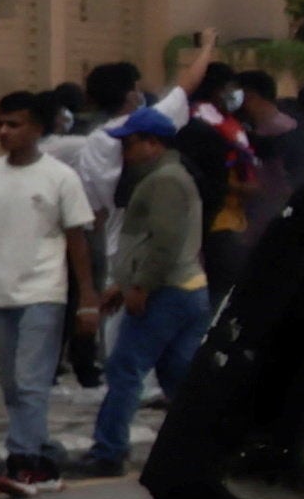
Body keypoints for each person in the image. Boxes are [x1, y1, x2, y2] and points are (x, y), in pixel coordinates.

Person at [0, 90, 99, 492]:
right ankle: (45, 461)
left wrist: (88, 298)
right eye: (0, 123)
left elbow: (77, 240)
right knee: (14, 385)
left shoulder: (60, 177)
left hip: (44, 292)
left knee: (31, 381)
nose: (4, 131)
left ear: (38, 128)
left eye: (14, 124)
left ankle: (22, 463)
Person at [81, 105, 214, 479]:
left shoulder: (165, 180)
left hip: (166, 292)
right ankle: (206, 444)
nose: (124, 152)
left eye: (130, 143)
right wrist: (122, 287)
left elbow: (164, 243)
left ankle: (108, 451)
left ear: (152, 143)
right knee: (177, 376)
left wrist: (140, 286)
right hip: (186, 289)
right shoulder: (171, 176)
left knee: (125, 368)